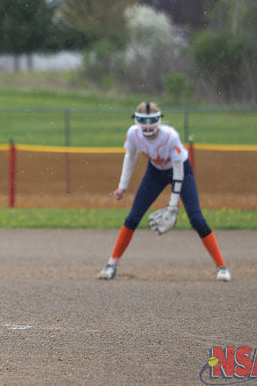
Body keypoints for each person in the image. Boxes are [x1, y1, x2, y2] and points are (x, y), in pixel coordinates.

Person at [97, 101, 230, 281]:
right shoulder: (133, 134)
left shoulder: (170, 136)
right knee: (133, 217)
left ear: (159, 120)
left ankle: (222, 267)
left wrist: (173, 204)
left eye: (152, 120)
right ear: (136, 121)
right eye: (142, 120)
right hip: (155, 173)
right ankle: (111, 265)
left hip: (181, 171)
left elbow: (178, 170)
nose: (147, 125)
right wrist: (122, 186)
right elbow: (130, 157)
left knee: (197, 218)